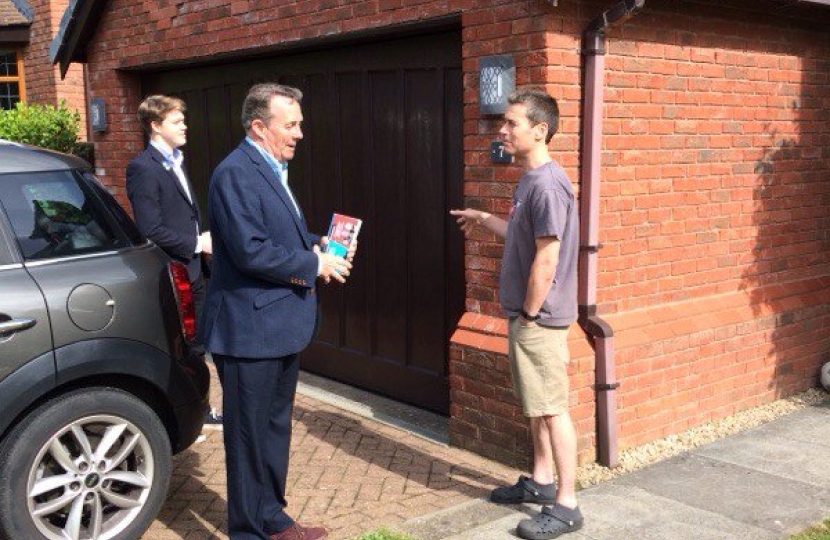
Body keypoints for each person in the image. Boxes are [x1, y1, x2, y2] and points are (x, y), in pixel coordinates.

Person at [200, 83, 352, 540]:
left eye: (299, 123)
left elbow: (274, 233)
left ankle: (273, 518)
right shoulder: (235, 173)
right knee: (248, 440)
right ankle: (248, 531)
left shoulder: (269, 167)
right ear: (259, 126)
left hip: (278, 327)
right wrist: (313, 264)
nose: (301, 133)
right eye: (291, 124)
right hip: (249, 331)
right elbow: (249, 251)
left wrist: (313, 243)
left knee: (272, 431)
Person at [451, 88, 581, 540]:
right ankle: (542, 482)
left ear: (540, 130)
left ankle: (567, 505)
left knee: (551, 409)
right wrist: (486, 220)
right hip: (530, 318)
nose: (502, 130)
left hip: (539, 320)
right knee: (536, 406)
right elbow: (524, 237)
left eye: (511, 123)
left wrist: (528, 314)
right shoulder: (529, 180)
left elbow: (547, 258)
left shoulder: (547, 184)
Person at [126, 95, 212, 352]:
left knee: (201, 342)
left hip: (196, 269)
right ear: (155, 125)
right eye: (177, 121)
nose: (184, 126)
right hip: (175, 274)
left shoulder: (177, 160)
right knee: (186, 349)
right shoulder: (143, 168)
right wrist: (197, 243)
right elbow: (150, 229)